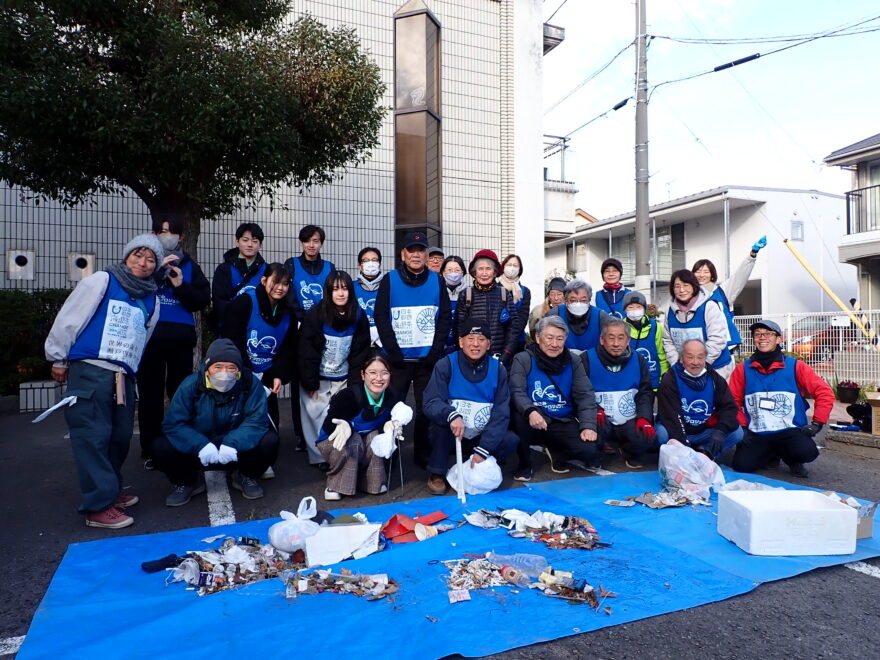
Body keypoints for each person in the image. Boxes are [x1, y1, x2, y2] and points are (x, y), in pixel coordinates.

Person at [45, 234, 163, 529]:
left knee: (119, 436)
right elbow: (71, 317)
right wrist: (58, 357)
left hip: (123, 376)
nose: (143, 263)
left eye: (151, 259)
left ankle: (111, 489)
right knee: (93, 436)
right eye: (138, 255)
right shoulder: (103, 280)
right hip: (91, 369)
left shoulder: (153, 298)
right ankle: (98, 506)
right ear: (126, 256)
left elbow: (143, 338)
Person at [153, 339, 278, 505]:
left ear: (239, 370)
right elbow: (174, 424)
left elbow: (257, 421)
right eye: (218, 367)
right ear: (207, 369)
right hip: (200, 452)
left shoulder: (250, 383)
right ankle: (188, 481)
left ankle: (245, 475)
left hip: (234, 450)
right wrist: (200, 444)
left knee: (269, 440)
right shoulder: (190, 385)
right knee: (161, 446)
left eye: (231, 367)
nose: (224, 373)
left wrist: (233, 443)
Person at [374, 231, 452, 468]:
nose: (416, 255)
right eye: (411, 250)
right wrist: (393, 351)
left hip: (426, 360)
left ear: (427, 255)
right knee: (392, 407)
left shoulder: (437, 281)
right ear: (403, 254)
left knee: (425, 409)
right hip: (398, 360)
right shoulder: (390, 279)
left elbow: (445, 318)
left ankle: (422, 453)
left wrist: (435, 352)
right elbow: (381, 316)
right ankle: (389, 452)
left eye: (421, 251)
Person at [137, 217, 210, 470]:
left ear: (181, 237)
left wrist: (180, 286)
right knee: (150, 396)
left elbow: (202, 300)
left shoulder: (189, 266)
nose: (165, 236)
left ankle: (181, 443)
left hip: (180, 339)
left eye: (170, 232)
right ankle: (151, 449)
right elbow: (134, 290)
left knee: (180, 394)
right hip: (149, 339)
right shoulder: (145, 264)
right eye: (161, 231)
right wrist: (158, 272)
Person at [423, 318, 519, 495]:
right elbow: (431, 401)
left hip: (481, 433)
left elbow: (501, 412)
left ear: (489, 344)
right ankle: (437, 472)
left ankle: (479, 461)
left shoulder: (498, 369)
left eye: (481, 339)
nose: (476, 344)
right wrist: (451, 415)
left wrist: (485, 447)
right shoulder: (446, 364)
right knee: (438, 427)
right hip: (454, 432)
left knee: (510, 440)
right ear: (461, 342)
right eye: (470, 338)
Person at [728, 320, 834, 478]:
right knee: (742, 465)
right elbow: (732, 402)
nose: (762, 338)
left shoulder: (796, 366)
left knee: (807, 452)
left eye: (768, 334)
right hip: (758, 431)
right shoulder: (742, 369)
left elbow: (824, 392)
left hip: (789, 430)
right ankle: (772, 453)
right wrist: (742, 426)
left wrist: (817, 423)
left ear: (778, 339)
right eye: (758, 334)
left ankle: (792, 458)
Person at [509, 315, 599, 480]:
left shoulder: (573, 360)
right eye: (549, 338)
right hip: (534, 417)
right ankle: (524, 464)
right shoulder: (523, 359)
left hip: (561, 419)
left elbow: (585, 395)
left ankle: (556, 450)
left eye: (560, 338)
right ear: (538, 338)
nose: (555, 344)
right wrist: (530, 410)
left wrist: (588, 426)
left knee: (589, 450)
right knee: (517, 416)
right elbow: (517, 391)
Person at [299, 270, 371, 470]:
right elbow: (306, 349)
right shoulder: (315, 314)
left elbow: (360, 351)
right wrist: (310, 381)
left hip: (344, 375)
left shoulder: (358, 315)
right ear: (328, 291)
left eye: (345, 288)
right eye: (336, 289)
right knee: (314, 415)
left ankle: (335, 453)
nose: (341, 293)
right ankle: (319, 456)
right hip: (318, 376)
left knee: (338, 414)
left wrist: (355, 382)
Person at [317, 354, 413, 501]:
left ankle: (371, 482)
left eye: (384, 373)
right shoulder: (348, 395)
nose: (379, 378)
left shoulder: (394, 396)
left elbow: (388, 422)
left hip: (364, 438)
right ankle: (335, 485)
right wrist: (344, 425)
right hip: (335, 442)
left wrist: (390, 427)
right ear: (363, 375)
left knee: (375, 437)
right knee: (354, 440)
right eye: (372, 373)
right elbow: (329, 423)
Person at [221, 262, 297, 434]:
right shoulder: (245, 302)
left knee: (269, 430)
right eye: (276, 282)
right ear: (263, 281)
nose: (280, 288)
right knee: (236, 424)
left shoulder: (289, 313)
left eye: (285, 284)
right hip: (239, 373)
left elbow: (288, 349)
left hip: (268, 376)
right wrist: (247, 373)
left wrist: (279, 374)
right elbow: (232, 340)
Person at [582, 319, 663, 469]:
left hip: (629, 419)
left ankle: (627, 449)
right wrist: (594, 410)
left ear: (628, 340)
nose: (616, 343)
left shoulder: (638, 359)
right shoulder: (586, 359)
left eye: (621, 338)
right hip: (600, 419)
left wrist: (644, 418)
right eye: (611, 338)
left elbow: (645, 392)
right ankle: (597, 451)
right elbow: (580, 392)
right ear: (602, 340)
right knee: (587, 444)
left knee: (646, 437)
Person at [656, 339, 743, 464]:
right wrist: (685, 449)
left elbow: (728, 407)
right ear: (681, 358)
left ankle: (705, 455)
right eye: (690, 357)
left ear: (706, 358)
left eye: (700, 357)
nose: (695, 362)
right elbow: (672, 418)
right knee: (661, 434)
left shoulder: (714, 378)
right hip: (676, 431)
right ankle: (683, 456)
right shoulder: (670, 379)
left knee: (737, 432)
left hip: (702, 431)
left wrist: (720, 431)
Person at [692, 236, 767, 350]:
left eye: (706, 272)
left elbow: (740, 275)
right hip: (698, 348)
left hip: (724, 347)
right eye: (698, 271)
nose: (701, 275)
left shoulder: (722, 291)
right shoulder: (689, 297)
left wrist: (752, 254)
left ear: (712, 275)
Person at [662, 269, 734, 380]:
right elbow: (668, 341)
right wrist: (676, 364)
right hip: (684, 370)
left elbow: (717, 340)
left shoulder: (709, 306)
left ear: (694, 286)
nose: (681, 290)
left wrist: (698, 365)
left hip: (716, 368)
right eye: (677, 286)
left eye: (686, 285)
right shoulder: (669, 311)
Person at [455, 249, 519, 367]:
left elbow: (514, 327)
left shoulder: (504, 294)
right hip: (472, 356)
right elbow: (459, 327)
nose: (484, 273)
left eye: (488, 269)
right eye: (480, 269)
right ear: (474, 273)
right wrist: (466, 354)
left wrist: (506, 354)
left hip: (499, 356)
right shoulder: (466, 294)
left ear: (495, 272)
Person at [209, 222, 266, 332]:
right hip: (229, 329)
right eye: (245, 240)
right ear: (237, 242)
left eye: (255, 241)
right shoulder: (224, 269)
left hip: (258, 329)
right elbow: (219, 301)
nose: (250, 244)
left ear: (260, 245)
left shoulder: (267, 270)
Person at [285, 224, 335, 321]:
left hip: (323, 321)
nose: (311, 245)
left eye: (315, 241)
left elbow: (332, 296)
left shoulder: (329, 267)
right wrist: (302, 318)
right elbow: (288, 296)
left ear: (321, 243)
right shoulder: (291, 264)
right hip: (297, 322)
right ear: (301, 243)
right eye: (307, 241)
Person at [621, 291, 668, 389]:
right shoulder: (620, 327)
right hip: (628, 382)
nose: (635, 310)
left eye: (638, 307)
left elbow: (662, 355)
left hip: (653, 381)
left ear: (644, 309)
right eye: (630, 307)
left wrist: (663, 378)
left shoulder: (656, 327)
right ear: (625, 310)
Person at [548, 279, 609, 353]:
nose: (578, 304)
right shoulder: (554, 315)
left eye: (583, 300)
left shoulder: (601, 317)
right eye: (573, 300)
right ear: (566, 300)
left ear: (589, 300)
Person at [498, 254, 532, 355]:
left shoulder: (524, 291)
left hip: (517, 342)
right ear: (503, 267)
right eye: (509, 265)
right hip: (496, 340)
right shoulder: (495, 288)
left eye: (515, 265)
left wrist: (511, 341)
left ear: (520, 269)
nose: (512, 268)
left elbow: (522, 318)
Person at [353, 246, 384, 346]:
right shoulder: (351, 287)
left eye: (374, 260)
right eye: (366, 260)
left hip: (384, 343)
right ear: (360, 266)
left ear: (379, 264)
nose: (370, 263)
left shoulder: (388, 286)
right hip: (358, 342)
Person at [441, 255, 467, 355]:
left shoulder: (469, 294)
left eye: (457, 270)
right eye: (449, 270)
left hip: (462, 348)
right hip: (440, 348)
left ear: (462, 273)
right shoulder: (437, 293)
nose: (453, 274)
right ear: (443, 273)